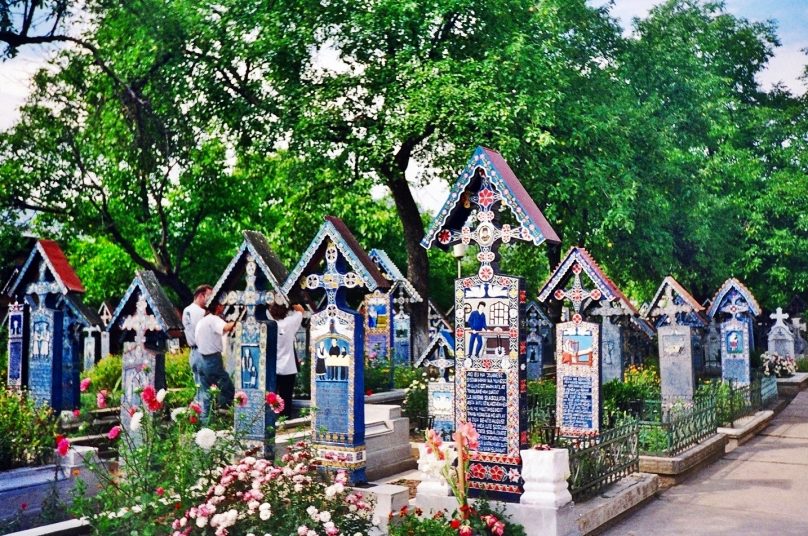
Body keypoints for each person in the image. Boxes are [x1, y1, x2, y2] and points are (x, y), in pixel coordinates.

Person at [195, 302, 237, 420]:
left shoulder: (202, 321)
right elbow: (226, 327)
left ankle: (205, 421)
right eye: (222, 305)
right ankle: (223, 413)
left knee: (206, 393)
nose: (223, 308)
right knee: (227, 387)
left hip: (201, 358)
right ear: (217, 306)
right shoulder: (213, 319)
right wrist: (238, 322)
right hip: (212, 359)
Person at [268, 301, 305, 419]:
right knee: (286, 396)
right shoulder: (290, 323)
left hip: (273, 367)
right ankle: (285, 419)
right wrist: (290, 302)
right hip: (288, 367)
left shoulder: (269, 325)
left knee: (272, 396)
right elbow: (300, 310)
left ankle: (272, 418)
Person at [183, 285, 212, 406]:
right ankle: (205, 419)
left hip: (193, 352)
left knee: (199, 386)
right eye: (209, 296)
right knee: (207, 389)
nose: (211, 300)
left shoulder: (187, 310)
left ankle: (199, 415)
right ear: (201, 295)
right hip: (203, 351)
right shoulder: (201, 312)